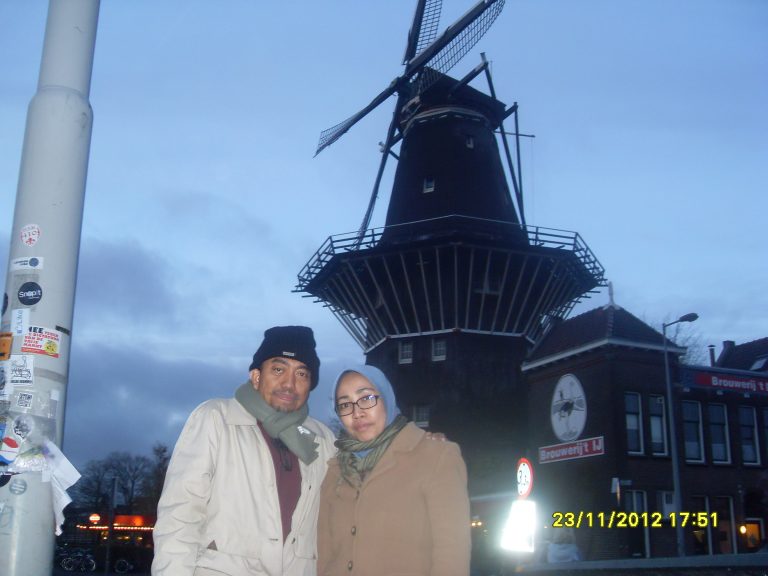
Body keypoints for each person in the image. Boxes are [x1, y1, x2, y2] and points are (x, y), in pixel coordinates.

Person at [152, 326, 336, 576]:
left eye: (302, 373)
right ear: (256, 376)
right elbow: (180, 515)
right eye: (278, 369)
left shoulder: (323, 439)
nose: (289, 383)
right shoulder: (216, 419)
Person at [317, 364, 471, 576]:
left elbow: (452, 556)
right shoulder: (335, 470)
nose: (357, 412)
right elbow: (324, 554)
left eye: (366, 398)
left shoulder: (436, 457)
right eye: (344, 405)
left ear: (387, 398)